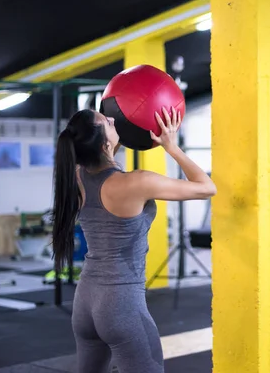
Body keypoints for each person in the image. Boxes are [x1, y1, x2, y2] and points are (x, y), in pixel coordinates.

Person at [52, 106, 216, 373]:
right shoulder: (137, 182)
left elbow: (103, 161)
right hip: (120, 304)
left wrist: (111, 142)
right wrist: (171, 147)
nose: (114, 118)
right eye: (107, 121)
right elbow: (207, 188)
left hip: (85, 302)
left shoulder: (77, 177)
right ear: (103, 142)